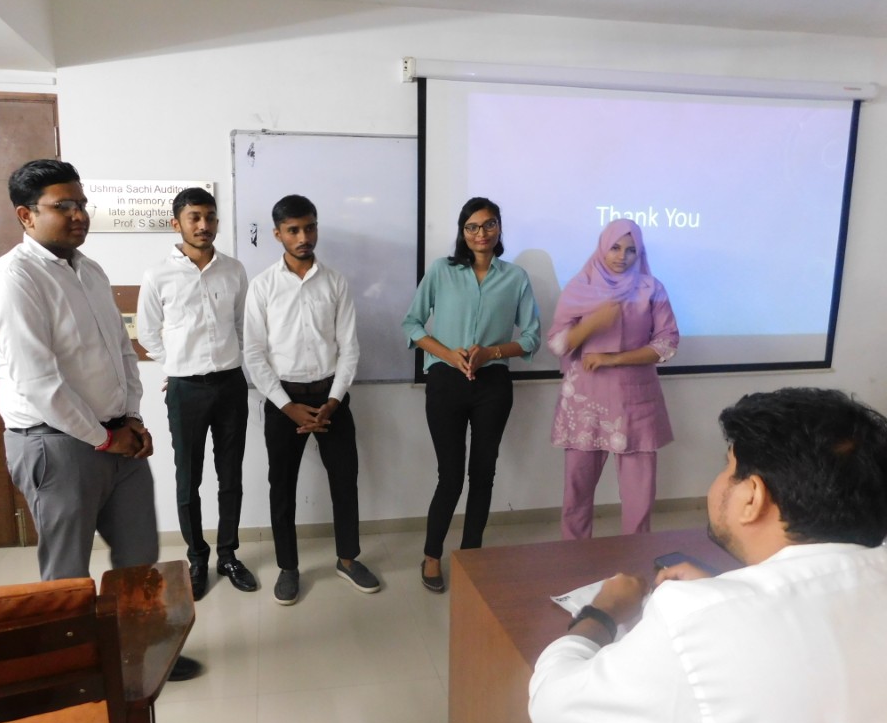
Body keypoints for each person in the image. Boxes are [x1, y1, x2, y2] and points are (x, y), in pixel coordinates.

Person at [528, 387, 887, 723]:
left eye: (728, 467)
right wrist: (725, 589)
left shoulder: (692, 619)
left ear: (752, 498)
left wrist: (602, 613)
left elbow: (552, 708)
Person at [0, 159, 201, 681]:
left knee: (140, 558)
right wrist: (103, 437)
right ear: (26, 215)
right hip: (55, 445)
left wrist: (132, 419)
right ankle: (72, 670)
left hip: (117, 438)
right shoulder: (13, 279)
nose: (79, 215)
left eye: (81, 204)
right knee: (68, 572)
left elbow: (121, 351)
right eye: (64, 206)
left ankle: (142, 656)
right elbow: (38, 381)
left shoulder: (89, 270)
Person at [243, 194, 381, 606]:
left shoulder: (335, 282)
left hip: (331, 398)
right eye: (293, 230)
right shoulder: (262, 286)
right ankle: (288, 567)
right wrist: (287, 406)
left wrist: (333, 401)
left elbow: (349, 347)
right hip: (283, 401)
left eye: (310, 227)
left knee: (345, 480)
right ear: (277, 234)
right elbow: (254, 353)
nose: (303, 237)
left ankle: (348, 558)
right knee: (282, 486)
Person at [402, 197, 541, 593]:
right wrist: (448, 353)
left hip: (492, 384)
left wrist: (491, 352)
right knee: (450, 477)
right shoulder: (441, 271)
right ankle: (432, 555)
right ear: (463, 232)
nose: (482, 233)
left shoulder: (515, 277)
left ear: (499, 228)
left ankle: (471, 555)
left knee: (483, 474)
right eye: (473, 227)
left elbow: (532, 337)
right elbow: (411, 323)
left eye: (489, 224)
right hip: (445, 381)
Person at [136, 187, 256, 600]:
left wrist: (239, 362)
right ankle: (197, 558)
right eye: (194, 218)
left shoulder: (234, 270)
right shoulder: (158, 275)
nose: (204, 225)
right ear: (177, 223)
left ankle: (228, 554)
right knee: (188, 477)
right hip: (185, 389)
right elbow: (148, 332)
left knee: (231, 475)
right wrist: (176, 365)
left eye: (210, 217)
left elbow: (242, 325)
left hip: (230, 385)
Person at [548, 218, 678, 539]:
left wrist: (613, 358)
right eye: (615, 248)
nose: (622, 256)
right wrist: (594, 323)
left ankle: (635, 559)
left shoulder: (651, 289)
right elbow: (557, 343)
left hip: (636, 402)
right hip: (586, 401)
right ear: (603, 247)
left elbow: (667, 342)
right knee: (577, 492)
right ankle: (574, 556)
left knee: (639, 496)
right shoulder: (580, 287)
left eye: (631, 250)